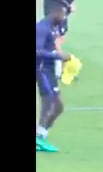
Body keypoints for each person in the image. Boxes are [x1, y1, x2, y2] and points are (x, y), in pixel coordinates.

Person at [35, 5, 71, 152]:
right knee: (49, 102)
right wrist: (58, 56)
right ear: (56, 12)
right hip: (42, 70)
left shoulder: (54, 26)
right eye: (63, 14)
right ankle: (38, 139)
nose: (64, 17)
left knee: (58, 107)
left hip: (50, 70)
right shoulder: (42, 27)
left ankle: (40, 135)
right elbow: (37, 51)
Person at [43, 0, 75, 79]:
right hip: (55, 13)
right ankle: (57, 72)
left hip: (58, 13)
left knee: (58, 39)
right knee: (56, 42)